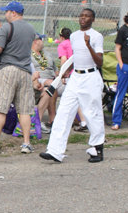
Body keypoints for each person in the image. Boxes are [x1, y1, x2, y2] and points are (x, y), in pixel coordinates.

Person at [39, 9, 105, 163]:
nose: (83, 18)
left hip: (90, 77)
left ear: (93, 20)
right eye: (81, 15)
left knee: (92, 113)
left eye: (87, 16)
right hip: (75, 77)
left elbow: (100, 62)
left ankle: (97, 148)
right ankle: (55, 151)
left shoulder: (96, 36)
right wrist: (65, 71)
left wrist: (89, 46)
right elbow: (76, 57)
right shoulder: (74, 36)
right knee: (64, 111)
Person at [0, 1, 36, 154]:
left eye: (6, 12)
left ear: (13, 13)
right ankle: (26, 143)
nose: (5, 14)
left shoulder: (6, 27)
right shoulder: (31, 28)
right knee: (24, 109)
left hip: (7, 69)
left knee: (1, 108)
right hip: (25, 71)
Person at [31, 33, 64, 133]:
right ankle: (52, 118)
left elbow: (55, 70)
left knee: (72, 87)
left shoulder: (47, 54)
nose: (43, 41)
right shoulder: (28, 55)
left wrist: (61, 77)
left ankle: (79, 120)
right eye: (41, 39)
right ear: (35, 41)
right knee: (51, 85)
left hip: (53, 78)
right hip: (39, 79)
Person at [57, 27, 88, 131]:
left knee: (74, 97)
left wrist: (63, 74)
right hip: (81, 71)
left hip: (71, 74)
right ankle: (80, 120)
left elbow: (64, 60)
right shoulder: (74, 43)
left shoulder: (63, 45)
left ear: (61, 37)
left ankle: (83, 121)